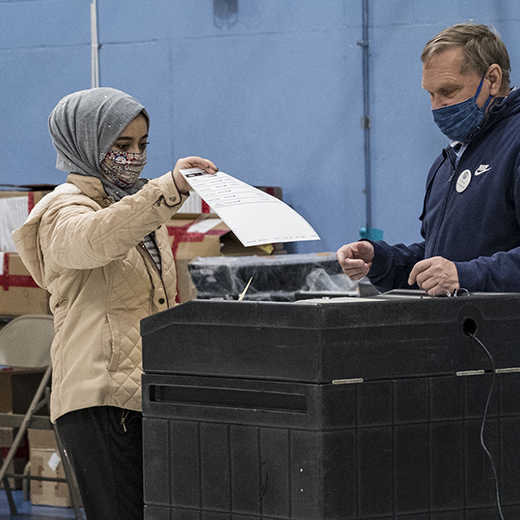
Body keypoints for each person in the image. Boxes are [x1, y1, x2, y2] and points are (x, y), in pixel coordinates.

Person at [13, 87, 218, 519]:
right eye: (121, 145)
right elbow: (94, 240)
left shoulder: (140, 209)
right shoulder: (63, 209)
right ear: (85, 143)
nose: (136, 156)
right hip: (98, 399)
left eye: (143, 145)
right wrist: (167, 190)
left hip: (148, 394)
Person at [337, 23, 520, 296]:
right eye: (431, 95)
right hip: (459, 333)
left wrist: (466, 275)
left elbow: (457, 271)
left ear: (492, 80)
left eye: (448, 91)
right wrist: (381, 260)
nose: (437, 106)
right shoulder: (449, 161)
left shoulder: (514, 142)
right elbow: (437, 257)